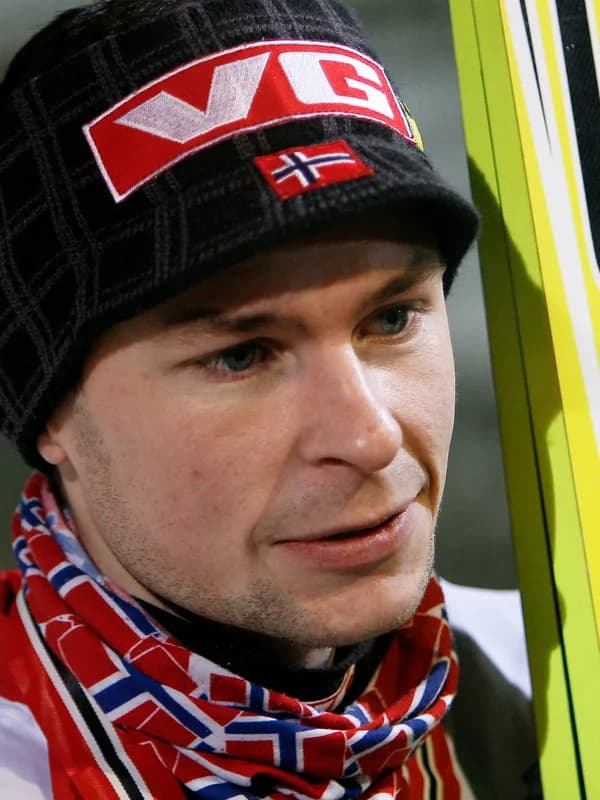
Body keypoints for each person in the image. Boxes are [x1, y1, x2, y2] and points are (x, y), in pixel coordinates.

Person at [0, 0, 538, 797]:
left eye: (392, 318)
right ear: (49, 410)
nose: (370, 437)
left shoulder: (558, 674)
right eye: (242, 355)